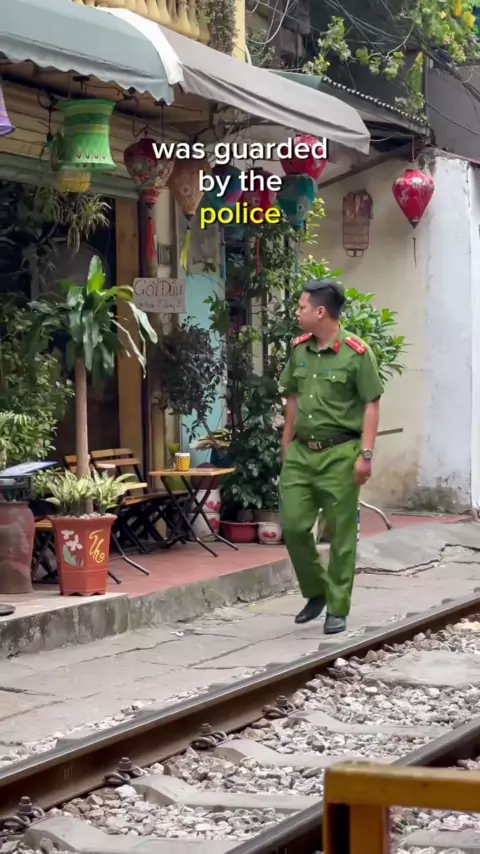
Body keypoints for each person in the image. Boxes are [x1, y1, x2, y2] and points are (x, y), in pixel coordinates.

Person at [279, 279, 383, 635]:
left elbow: (371, 404)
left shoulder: (357, 353)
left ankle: (337, 607)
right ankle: (317, 591)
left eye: (302, 307)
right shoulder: (299, 350)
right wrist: (286, 445)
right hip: (301, 453)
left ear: (321, 312)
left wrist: (366, 454)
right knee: (293, 527)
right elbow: (292, 398)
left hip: (341, 453)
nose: (297, 312)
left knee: (340, 534)